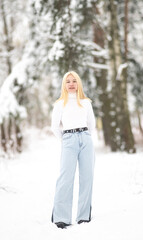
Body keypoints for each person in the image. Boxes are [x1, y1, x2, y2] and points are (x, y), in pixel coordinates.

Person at [51, 71, 95, 229]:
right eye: (68, 81)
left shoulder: (86, 102)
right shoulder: (60, 103)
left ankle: (83, 215)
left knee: (87, 177)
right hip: (68, 139)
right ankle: (61, 217)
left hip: (85, 138)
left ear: (78, 83)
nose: (71, 84)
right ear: (64, 84)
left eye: (74, 81)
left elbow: (91, 123)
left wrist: (86, 137)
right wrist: (65, 140)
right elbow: (55, 127)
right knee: (65, 178)